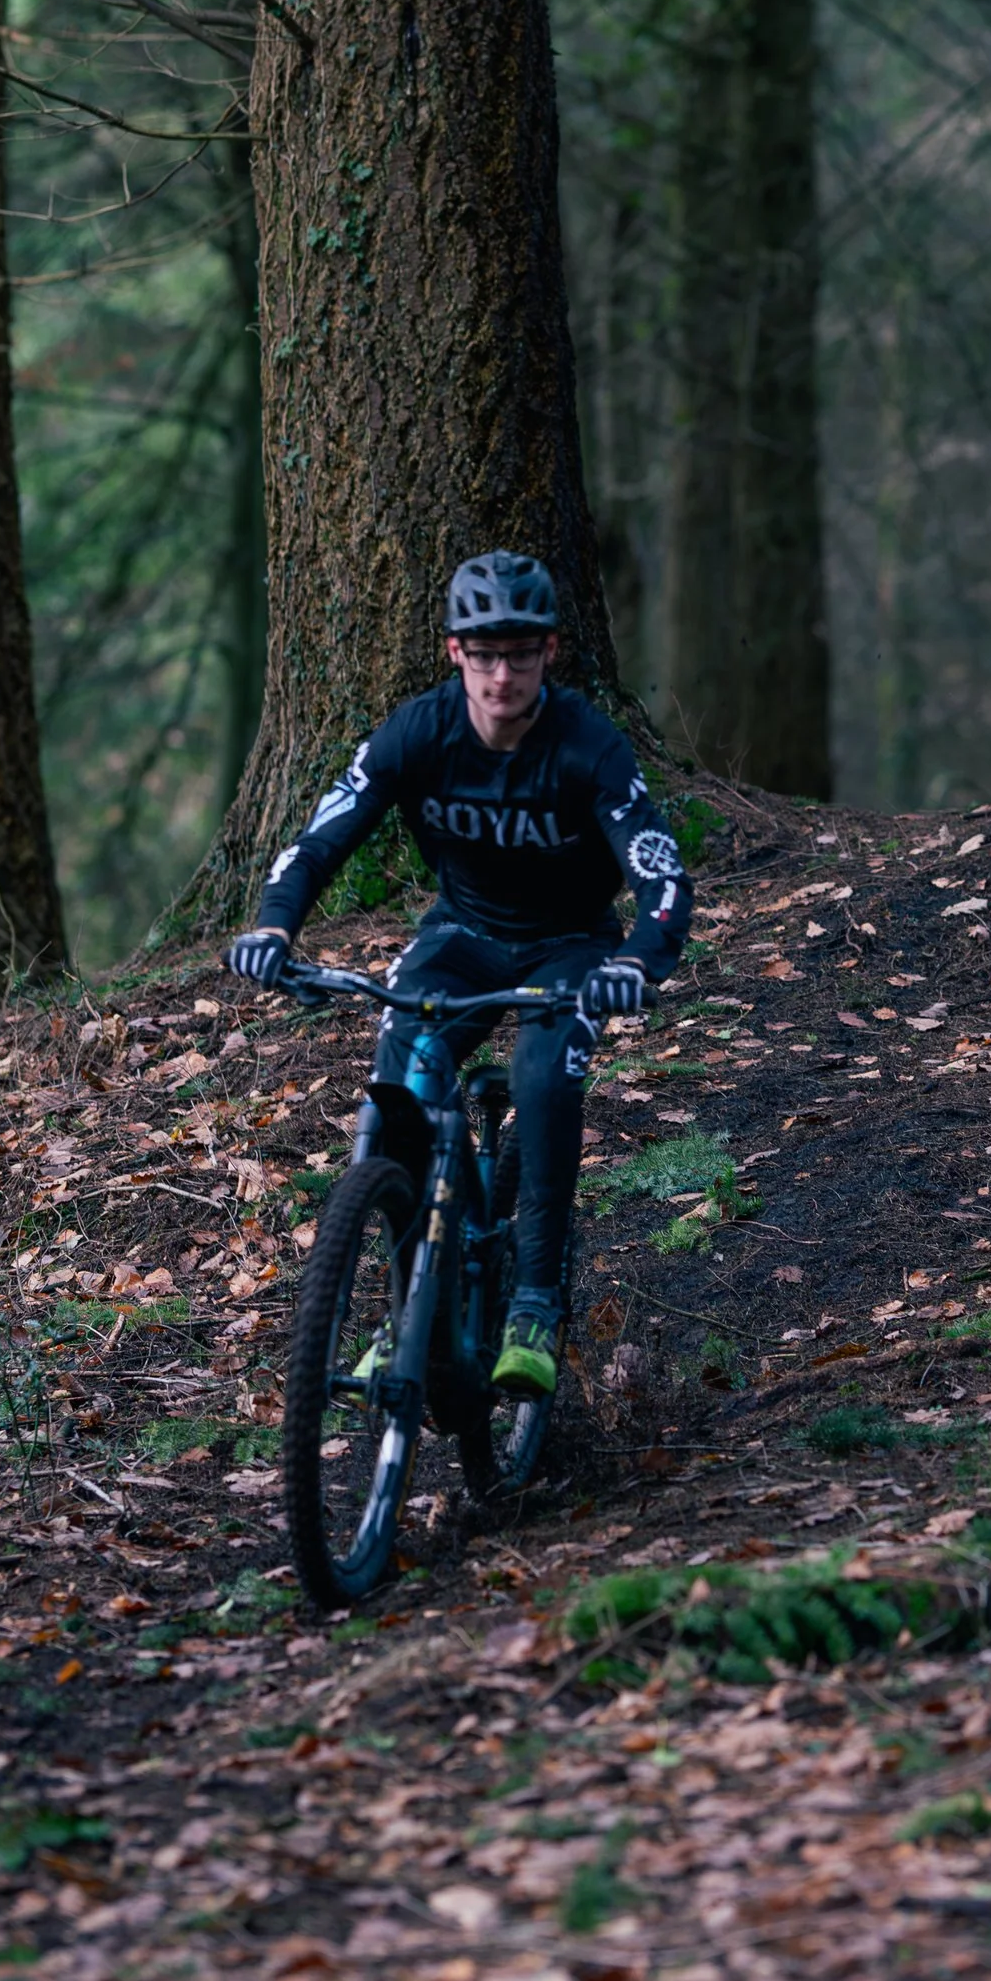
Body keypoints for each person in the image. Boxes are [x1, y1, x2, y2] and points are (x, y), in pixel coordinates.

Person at [225, 553, 691, 1394]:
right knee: (401, 1078)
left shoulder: (588, 745)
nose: (501, 674)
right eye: (484, 655)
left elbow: (661, 875)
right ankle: (405, 1311)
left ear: (550, 653)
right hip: (463, 937)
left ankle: (537, 1301)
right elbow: (323, 835)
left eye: (519, 654)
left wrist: (635, 960)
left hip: (571, 949)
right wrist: (273, 926)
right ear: (454, 654)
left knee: (545, 1082)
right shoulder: (420, 732)